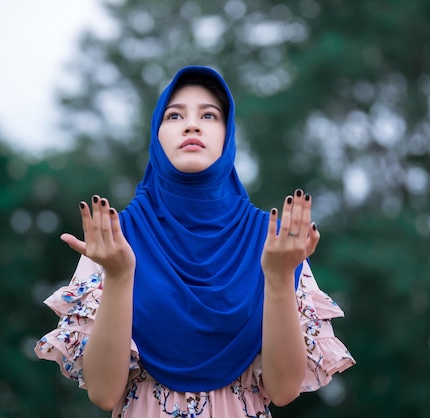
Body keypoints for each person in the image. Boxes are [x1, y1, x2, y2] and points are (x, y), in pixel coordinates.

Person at [35, 66, 355, 417]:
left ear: (228, 134)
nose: (192, 125)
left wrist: (279, 279)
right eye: (174, 115)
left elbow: (284, 390)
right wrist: (119, 275)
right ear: (156, 135)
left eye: (209, 115)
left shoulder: (276, 241)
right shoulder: (114, 239)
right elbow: (103, 392)